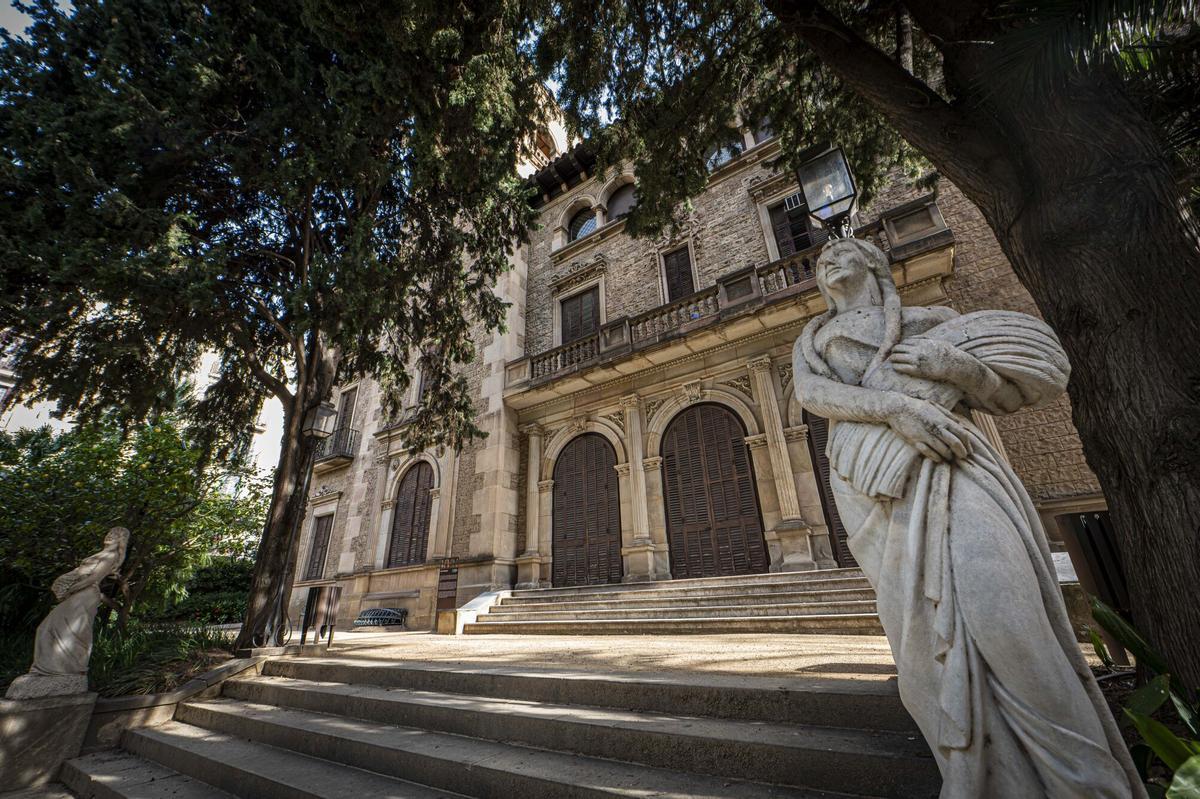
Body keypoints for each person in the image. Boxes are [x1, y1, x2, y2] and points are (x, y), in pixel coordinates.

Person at [792, 237, 1142, 798]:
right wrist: (896, 407)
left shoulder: (934, 320)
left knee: (1008, 617)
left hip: (954, 464)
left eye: (841, 252)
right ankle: (988, 778)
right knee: (918, 643)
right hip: (869, 479)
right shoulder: (811, 338)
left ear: (874, 262)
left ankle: (1086, 783)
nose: (827, 261)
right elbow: (813, 394)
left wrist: (959, 368)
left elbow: (1009, 395)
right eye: (819, 261)